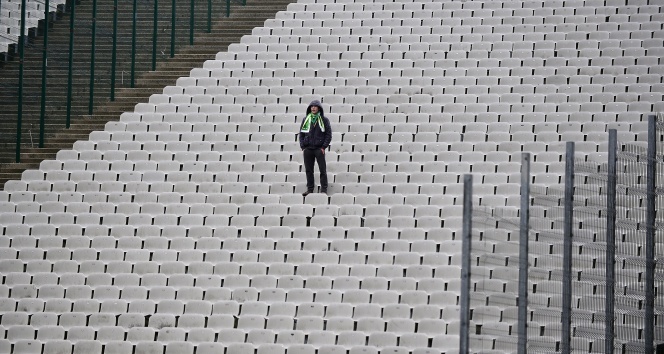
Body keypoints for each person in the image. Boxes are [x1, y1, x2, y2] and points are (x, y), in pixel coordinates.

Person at [299, 100, 332, 196]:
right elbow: (301, 134)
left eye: (315, 106)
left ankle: (324, 189)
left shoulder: (324, 120)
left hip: (319, 148)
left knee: (322, 170)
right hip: (308, 148)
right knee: (309, 170)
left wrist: (323, 147)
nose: (313, 108)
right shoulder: (306, 119)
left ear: (319, 108)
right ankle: (310, 189)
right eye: (311, 106)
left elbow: (328, 135)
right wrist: (303, 146)